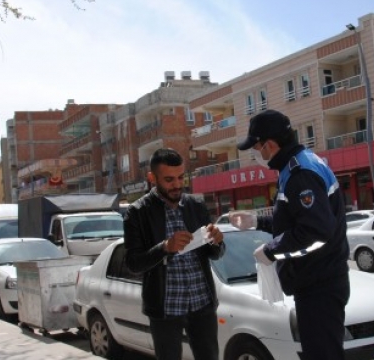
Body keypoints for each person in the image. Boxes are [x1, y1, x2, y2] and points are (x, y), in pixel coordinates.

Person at [231, 109, 350, 360]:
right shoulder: (300, 164)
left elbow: (315, 232)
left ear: (271, 145)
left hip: (319, 285)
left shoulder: (300, 174)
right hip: (320, 279)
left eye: (257, 148)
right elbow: (296, 220)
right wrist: (257, 221)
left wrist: (270, 251)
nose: (257, 155)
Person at [123, 148, 225, 360]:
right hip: (165, 307)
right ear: (152, 178)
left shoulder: (195, 205)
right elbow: (133, 263)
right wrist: (164, 248)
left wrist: (217, 241)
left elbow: (215, 254)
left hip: (202, 302)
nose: (177, 185)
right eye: (169, 180)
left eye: (181, 177)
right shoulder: (137, 212)